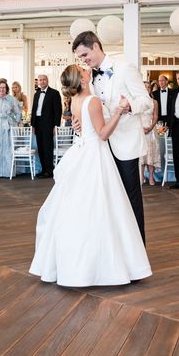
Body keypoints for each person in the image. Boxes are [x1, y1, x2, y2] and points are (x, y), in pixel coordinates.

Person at [29, 64, 152, 287]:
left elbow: (83, 126)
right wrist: (118, 111)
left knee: (82, 207)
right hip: (95, 154)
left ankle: (77, 263)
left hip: (81, 151)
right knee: (103, 207)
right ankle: (103, 265)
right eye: (83, 70)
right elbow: (103, 134)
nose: (87, 70)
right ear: (83, 80)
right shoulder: (92, 101)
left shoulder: (74, 100)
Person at [72, 31, 152, 243]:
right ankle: (117, 250)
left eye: (85, 54)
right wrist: (79, 122)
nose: (84, 60)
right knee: (107, 201)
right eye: (81, 57)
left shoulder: (124, 69)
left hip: (126, 144)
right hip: (101, 147)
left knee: (130, 198)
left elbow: (147, 101)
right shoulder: (87, 78)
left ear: (96, 46)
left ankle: (138, 252)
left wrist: (129, 106)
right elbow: (91, 108)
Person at [30, 74, 62, 178]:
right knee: (40, 147)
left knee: (48, 147)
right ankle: (44, 169)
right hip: (38, 123)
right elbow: (34, 110)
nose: (42, 82)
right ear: (38, 82)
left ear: (47, 81)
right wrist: (32, 125)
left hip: (49, 124)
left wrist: (56, 126)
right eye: (40, 80)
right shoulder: (37, 94)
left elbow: (58, 111)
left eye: (44, 80)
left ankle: (49, 170)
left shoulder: (55, 93)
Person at [140, 81, 160, 186]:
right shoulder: (137, 101)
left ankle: (151, 177)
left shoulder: (154, 102)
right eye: (145, 87)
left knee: (151, 155)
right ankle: (142, 176)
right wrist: (141, 129)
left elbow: (155, 116)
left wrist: (150, 128)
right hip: (140, 130)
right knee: (142, 155)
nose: (147, 89)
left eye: (148, 87)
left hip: (151, 130)